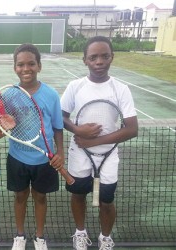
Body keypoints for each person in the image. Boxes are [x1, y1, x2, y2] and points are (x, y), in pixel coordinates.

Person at [60, 36, 138, 250]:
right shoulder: (75, 86)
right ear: (85, 60)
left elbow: (132, 129)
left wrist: (92, 141)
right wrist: (77, 130)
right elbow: (61, 116)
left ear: (112, 57)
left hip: (109, 156)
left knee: (106, 201)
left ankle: (105, 238)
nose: (99, 61)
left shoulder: (121, 89)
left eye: (105, 56)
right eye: (93, 57)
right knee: (78, 195)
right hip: (79, 155)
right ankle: (80, 233)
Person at [8, 43, 65, 250]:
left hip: (44, 159)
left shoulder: (50, 95)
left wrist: (60, 152)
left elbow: (58, 128)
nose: (26, 69)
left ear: (39, 66)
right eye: (20, 64)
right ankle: (20, 236)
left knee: (40, 197)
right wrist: (6, 121)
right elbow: (3, 122)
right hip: (17, 157)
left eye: (31, 64)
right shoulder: (9, 95)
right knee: (20, 196)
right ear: (15, 68)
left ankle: (40, 237)